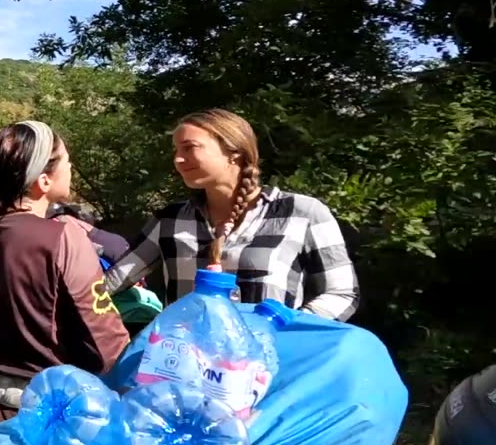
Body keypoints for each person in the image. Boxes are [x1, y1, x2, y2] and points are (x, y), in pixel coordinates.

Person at [0, 121, 132, 438]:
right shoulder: (64, 237)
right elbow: (106, 340)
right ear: (43, 180)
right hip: (45, 417)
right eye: (66, 160)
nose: (72, 166)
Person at [104, 108, 360, 321]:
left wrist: (288, 327)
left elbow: (341, 293)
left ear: (234, 151)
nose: (178, 160)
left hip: (271, 366)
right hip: (183, 366)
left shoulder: (303, 212)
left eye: (189, 148)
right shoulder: (169, 220)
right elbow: (113, 281)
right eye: (176, 151)